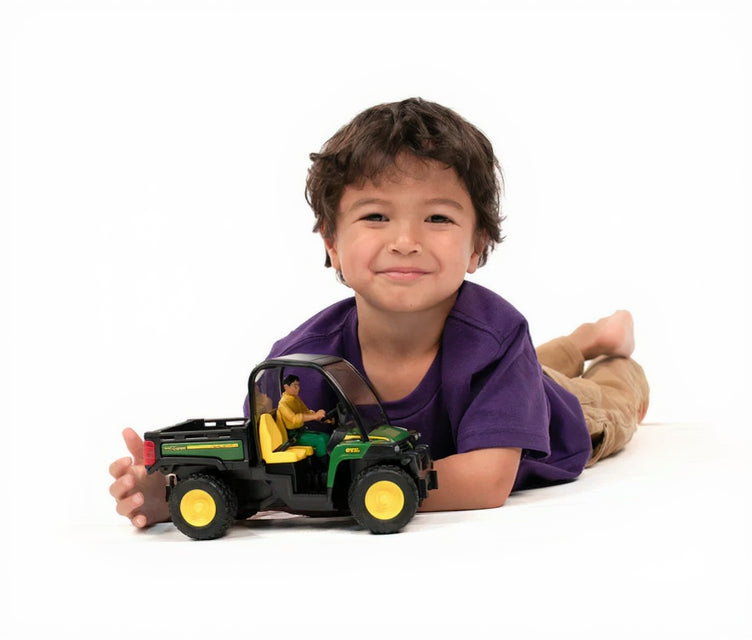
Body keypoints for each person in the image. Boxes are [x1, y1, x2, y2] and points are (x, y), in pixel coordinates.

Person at [109, 97, 648, 526]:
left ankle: (603, 347)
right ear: (332, 242)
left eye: (437, 218)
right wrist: (168, 494)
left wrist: (364, 493)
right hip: (501, 382)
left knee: (608, 392)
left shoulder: (497, 336)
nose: (406, 241)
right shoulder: (298, 363)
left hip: (565, 414)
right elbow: (262, 470)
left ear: (477, 245)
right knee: (532, 367)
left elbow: (487, 481)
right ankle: (581, 338)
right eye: (375, 217)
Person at [275, 374, 330, 457]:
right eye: (295, 386)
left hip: (301, 431)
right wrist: (314, 416)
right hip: (293, 436)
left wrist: (319, 416)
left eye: (298, 385)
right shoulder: (283, 404)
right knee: (320, 440)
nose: (298, 388)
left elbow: (306, 412)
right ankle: (323, 464)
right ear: (286, 387)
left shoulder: (295, 399)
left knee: (326, 436)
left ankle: (327, 460)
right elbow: (294, 419)